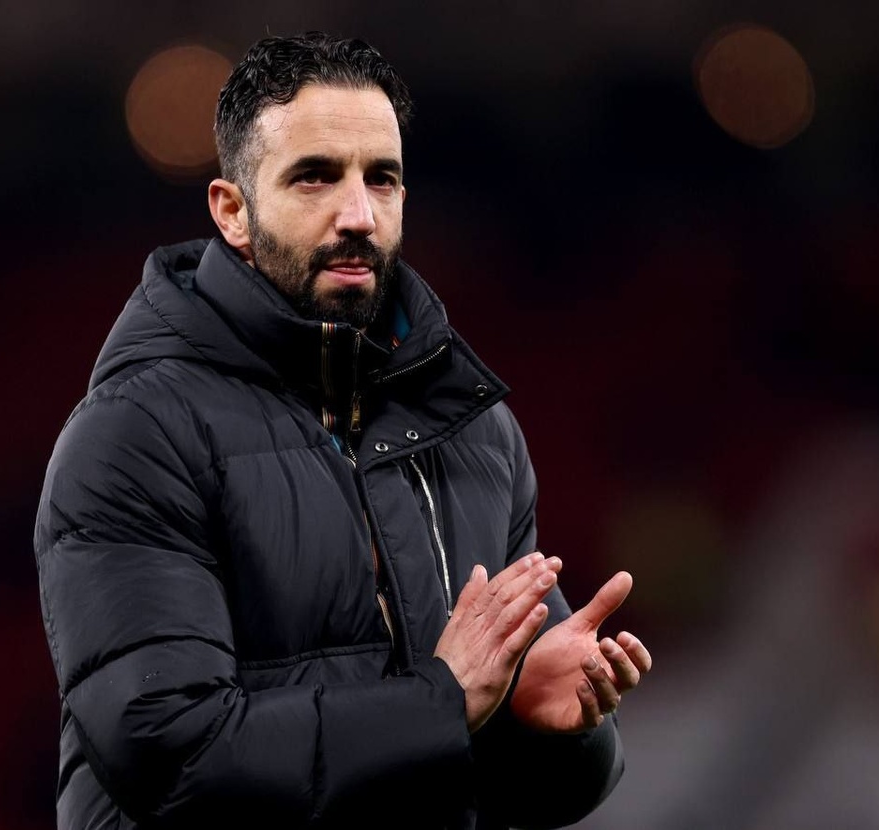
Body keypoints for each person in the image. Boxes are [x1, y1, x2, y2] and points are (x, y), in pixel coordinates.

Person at [34, 31, 652, 830]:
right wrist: (443, 701)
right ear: (232, 212)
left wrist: (544, 727)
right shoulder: (136, 436)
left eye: (381, 179)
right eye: (315, 177)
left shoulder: (475, 433)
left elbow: (508, 784)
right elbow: (173, 758)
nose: (358, 215)